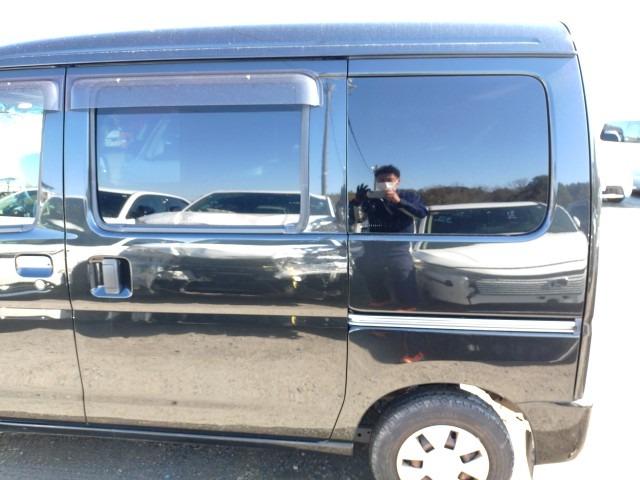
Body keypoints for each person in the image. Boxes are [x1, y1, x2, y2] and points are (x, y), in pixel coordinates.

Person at [350, 165, 428, 310]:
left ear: (398, 181)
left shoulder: (409, 195)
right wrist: (356, 202)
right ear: (376, 182)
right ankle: (381, 302)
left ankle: (408, 308)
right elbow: (355, 219)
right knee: (368, 270)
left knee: (403, 272)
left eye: (389, 179)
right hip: (374, 244)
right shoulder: (371, 198)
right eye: (381, 180)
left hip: (399, 244)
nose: (385, 183)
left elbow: (421, 213)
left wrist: (398, 201)